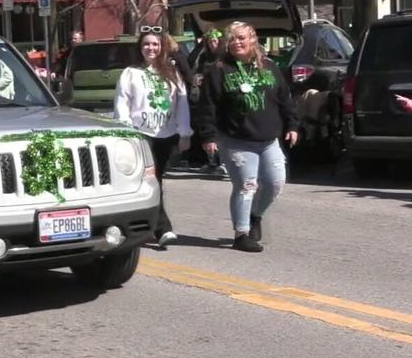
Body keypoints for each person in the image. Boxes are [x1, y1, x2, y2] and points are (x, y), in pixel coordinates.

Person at [198, 21, 300, 253]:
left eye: (242, 38)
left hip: (269, 140)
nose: (237, 43)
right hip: (236, 140)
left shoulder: (269, 67)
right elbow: (208, 107)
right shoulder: (218, 70)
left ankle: (255, 216)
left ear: (253, 40)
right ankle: (241, 233)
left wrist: (293, 124)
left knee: (275, 183)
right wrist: (208, 136)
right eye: (232, 39)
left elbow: (285, 99)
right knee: (246, 185)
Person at [114, 29, 192, 248]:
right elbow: (122, 103)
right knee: (152, 180)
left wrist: (184, 133)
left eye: (155, 45)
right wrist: (126, 130)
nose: (151, 48)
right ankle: (162, 229)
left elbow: (182, 104)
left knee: (157, 180)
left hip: (166, 134)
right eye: (147, 44)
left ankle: (145, 224)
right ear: (140, 48)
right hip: (141, 134)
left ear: (162, 47)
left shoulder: (172, 72)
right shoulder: (130, 72)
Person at [188, 28, 227, 173]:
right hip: (205, 95)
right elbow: (196, 71)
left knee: (220, 128)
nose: (213, 44)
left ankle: (223, 161)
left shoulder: (224, 57)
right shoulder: (204, 57)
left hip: (220, 96)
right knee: (206, 127)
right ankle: (211, 161)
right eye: (210, 41)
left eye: (215, 41)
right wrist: (197, 79)